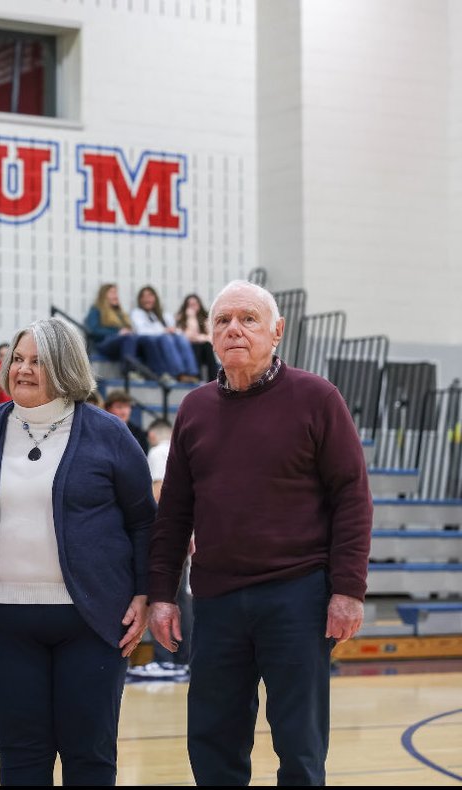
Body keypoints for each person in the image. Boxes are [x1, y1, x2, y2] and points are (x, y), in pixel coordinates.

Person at [148, 280, 373, 786]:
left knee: (299, 743)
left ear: (277, 331)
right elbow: (174, 515)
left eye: (248, 319)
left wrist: (348, 589)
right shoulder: (195, 409)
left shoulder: (318, 398)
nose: (234, 329)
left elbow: (352, 499)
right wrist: (162, 595)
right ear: (209, 336)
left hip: (298, 596)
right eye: (222, 321)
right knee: (213, 739)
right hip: (217, 600)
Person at [0, 317, 154, 785]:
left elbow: (145, 520)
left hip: (91, 621)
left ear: (66, 367)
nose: (23, 370)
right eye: (18, 359)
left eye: (38, 362)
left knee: (88, 756)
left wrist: (146, 593)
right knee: (19, 756)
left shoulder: (108, 432)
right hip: (5, 621)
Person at [126, 419, 191, 681]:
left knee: (164, 595)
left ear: (152, 434)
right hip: (185, 530)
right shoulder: (179, 448)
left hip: (167, 533)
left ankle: (165, 660)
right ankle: (182, 660)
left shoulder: (156, 452)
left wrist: (153, 533)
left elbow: (158, 492)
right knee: (182, 599)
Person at [129, 285, 199, 382]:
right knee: (166, 338)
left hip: (164, 338)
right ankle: (179, 373)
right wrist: (163, 331)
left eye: (150, 296)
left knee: (182, 338)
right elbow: (141, 331)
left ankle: (192, 373)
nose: (147, 299)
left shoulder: (163, 314)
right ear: (140, 300)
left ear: (155, 298)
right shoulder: (137, 313)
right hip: (148, 341)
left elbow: (174, 328)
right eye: (143, 297)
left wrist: (173, 330)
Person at [84, 284, 143, 374]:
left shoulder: (120, 313)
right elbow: (93, 330)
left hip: (121, 343)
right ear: (103, 295)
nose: (115, 296)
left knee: (145, 341)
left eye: (116, 293)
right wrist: (118, 332)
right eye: (112, 293)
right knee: (128, 338)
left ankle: (157, 373)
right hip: (103, 343)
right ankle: (129, 372)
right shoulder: (96, 309)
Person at [175, 292, 218, 381]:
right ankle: (196, 378)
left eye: (194, 304)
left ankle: (213, 379)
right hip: (188, 352)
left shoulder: (206, 318)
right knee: (196, 346)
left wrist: (198, 338)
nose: (192, 307)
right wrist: (191, 317)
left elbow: (211, 338)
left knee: (206, 345)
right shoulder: (181, 318)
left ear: (199, 305)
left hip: (205, 350)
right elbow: (188, 337)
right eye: (190, 305)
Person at [103, 389, 149, 456]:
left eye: (127, 406)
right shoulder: (100, 431)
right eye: (119, 407)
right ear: (108, 408)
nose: (124, 412)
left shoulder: (139, 434)